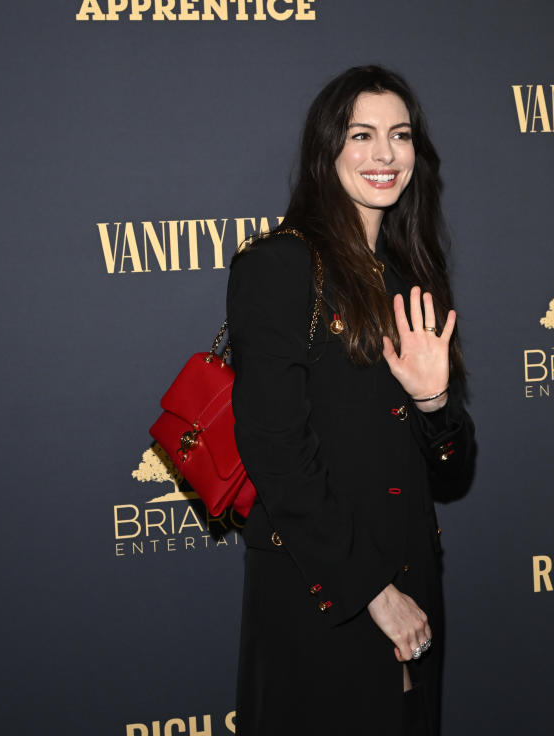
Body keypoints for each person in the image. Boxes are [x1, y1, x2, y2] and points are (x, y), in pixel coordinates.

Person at [226, 65, 476, 736]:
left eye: (400, 135)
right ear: (326, 149)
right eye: (362, 134)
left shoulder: (411, 276)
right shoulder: (279, 265)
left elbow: (453, 473)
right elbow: (276, 450)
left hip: (411, 582)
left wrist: (434, 401)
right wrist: (371, 590)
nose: (385, 154)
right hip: (324, 591)